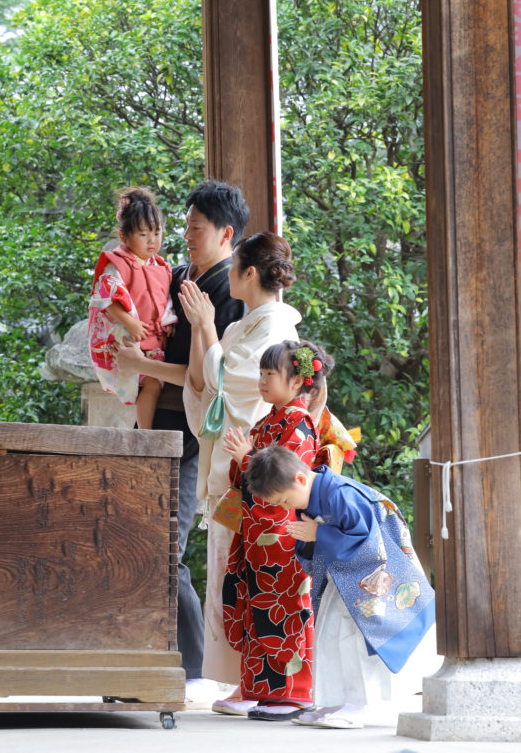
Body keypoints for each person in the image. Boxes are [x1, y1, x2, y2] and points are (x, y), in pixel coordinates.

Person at [116, 180, 250, 703]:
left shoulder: (227, 290)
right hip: (152, 423)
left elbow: (204, 377)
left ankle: (194, 669)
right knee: (140, 542)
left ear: (226, 234)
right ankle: (156, 661)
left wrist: (142, 364)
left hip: (193, 434)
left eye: (196, 229)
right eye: (186, 227)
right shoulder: (173, 273)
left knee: (166, 545)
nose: (187, 237)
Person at [178, 231, 302, 712]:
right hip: (229, 458)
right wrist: (201, 329)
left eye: (234, 266)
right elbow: (209, 388)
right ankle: (238, 677)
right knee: (227, 572)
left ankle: (255, 678)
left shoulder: (276, 328)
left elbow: (230, 383)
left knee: (247, 573)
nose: (227, 273)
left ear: (251, 273)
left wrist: (207, 326)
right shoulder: (244, 327)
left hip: (253, 464)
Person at [244, 446, 436, 729]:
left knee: (353, 636)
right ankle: (335, 700)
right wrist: (313, 538)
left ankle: (360, 704)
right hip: (346, 575)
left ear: (299, 479)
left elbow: (368, 543)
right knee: (327, 632)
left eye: (285, 501)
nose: (289, 509)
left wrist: (318, 533)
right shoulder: (314, 495)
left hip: (372, 577)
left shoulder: (340, 494)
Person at [219, 341, 326, 719]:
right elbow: (245, 478)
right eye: (261, 374)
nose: (263, 381)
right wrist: (242, 457)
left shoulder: (300, 423)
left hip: (282, 531)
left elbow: (281, 481)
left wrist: (245, 457)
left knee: (286, 608)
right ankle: (262, 690)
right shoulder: (268, 420)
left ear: (297, 382)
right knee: (256, 609)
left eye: (270, 374)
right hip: (255, 529)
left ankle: (293, 692)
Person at [88, 187, 177, 428]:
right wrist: (129, 322)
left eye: (157, 233)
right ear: (124, 237)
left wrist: (168, 322)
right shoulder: (116, 263)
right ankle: (142, 435)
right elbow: (105, 300)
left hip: (153, 338)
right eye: (144, 234)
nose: (153, 240)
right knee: (136, 383)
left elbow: (165, 300)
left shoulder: (161, 266)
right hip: (127, 337)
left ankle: (144, 434)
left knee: (152, 384)